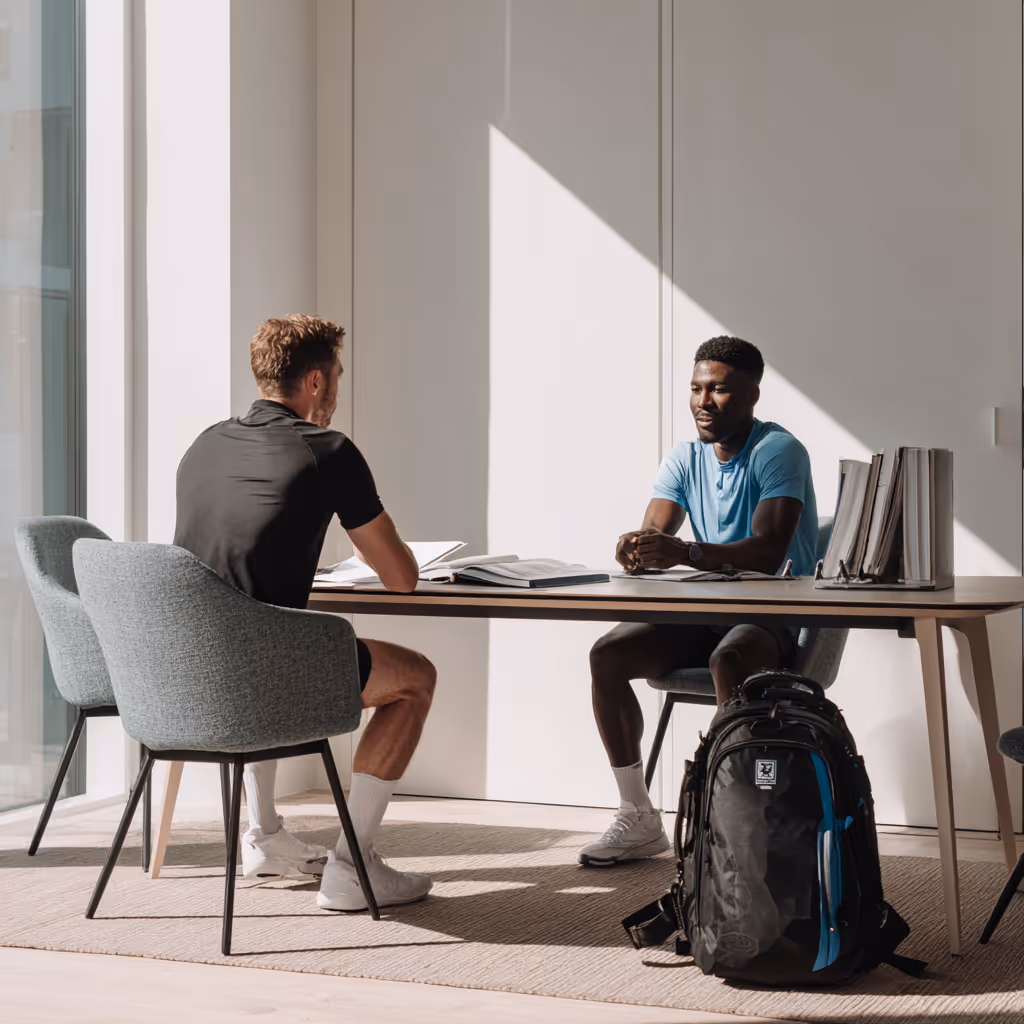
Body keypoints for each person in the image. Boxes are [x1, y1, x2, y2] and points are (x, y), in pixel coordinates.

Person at [174, 314, 436, 911]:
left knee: (266, 628)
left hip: (184, 678)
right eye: (337, 376)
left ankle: (263, 835)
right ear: (316, 382)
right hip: (265, 680)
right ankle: (353, 865)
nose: (338, 389)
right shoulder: (328, 451)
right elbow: (401, 579)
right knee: (415, 679)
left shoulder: (204, 443)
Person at [578, 336, 818, 867]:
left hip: (774, 615)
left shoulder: (778, 451)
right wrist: (637, 549)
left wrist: (682, 550)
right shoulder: (685, 458)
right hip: (705, 613)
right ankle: (638, 815)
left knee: (729, 659)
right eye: (696, 388)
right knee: (608, 654)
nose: (703, 402)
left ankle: (736, 815)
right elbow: (654, 531)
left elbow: (769, 551)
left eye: (720, 390)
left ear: (753, 394)